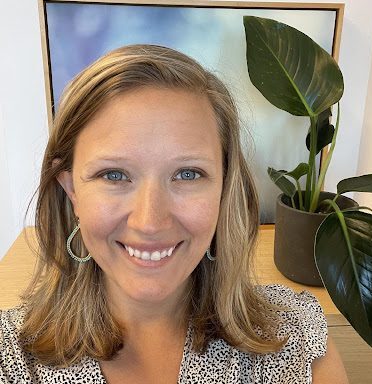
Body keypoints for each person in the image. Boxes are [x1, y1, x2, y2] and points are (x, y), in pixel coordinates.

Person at [0, 44, 348, 383]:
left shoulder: (296, 339)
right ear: (71, 188)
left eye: (187, 174)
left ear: (224, 188)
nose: (150, 222)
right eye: (114, 175)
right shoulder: (11, 357)